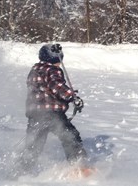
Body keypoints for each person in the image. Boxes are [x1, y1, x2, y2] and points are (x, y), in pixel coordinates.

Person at [18, 43, 88, 174]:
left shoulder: (34, 69)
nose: (60, 64)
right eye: (59, 60)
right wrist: (72, 97)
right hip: (51, 113)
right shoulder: (52, 70)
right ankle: (78, 166)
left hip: (35, 114)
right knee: (70, 136)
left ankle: (22, 169)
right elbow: (57, 86)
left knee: (34, 144)